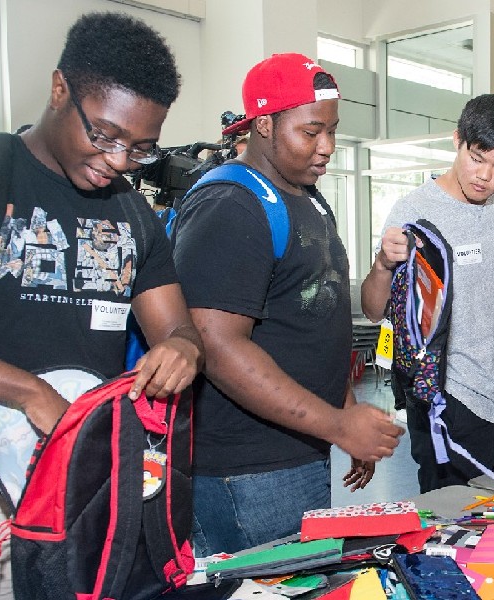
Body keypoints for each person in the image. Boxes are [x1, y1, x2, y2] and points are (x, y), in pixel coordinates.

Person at [0, 13, 203, 598]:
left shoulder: (132, 213)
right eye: (105, 134)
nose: (117, 160)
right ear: (60, 89)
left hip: (77, 500)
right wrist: (26, 390)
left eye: (140, 148)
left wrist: (184, 349)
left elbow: (179, 328)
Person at [172, 53, 402, 555]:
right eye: (311, 132)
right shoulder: (230, 206)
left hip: (300, 450)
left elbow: (312, 322)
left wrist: (345, 415)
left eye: (333, 131)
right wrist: (337, 425)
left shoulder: (310, 198)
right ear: (265, 125)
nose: (328, 148)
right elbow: (215, 344)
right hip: (245, 471)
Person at [361, 94, 494, 493]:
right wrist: (384, 264)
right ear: (458, 140)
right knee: (453, 529)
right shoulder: (416, 210)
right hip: (444, 396)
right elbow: (373, 310)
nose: (485, 176)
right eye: (476, 158)